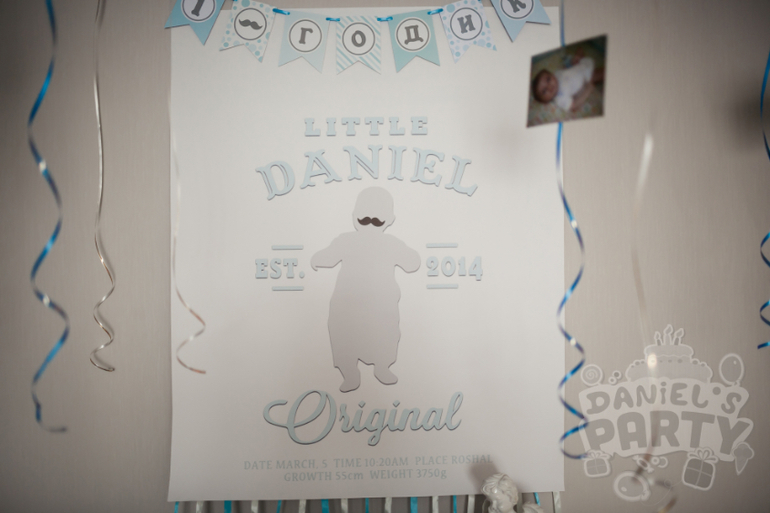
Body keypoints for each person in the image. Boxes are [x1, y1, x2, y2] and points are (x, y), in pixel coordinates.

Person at [311, 187, 420, 393]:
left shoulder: (391, 243)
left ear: (390, 219)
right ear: (354, 216)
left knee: (385, 334)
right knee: (344, 335)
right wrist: (318, 258)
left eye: (376, 219)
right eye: (364, 218)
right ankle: (350, 373)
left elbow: (411, 261)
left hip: (382, 305)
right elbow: (329, 255)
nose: (370, 223)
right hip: (346, 305)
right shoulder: (346, 240)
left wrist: (412, 258)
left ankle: (382, 367)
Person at [532, 49, 604, 112]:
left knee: (579, 51)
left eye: (548, 79)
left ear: (551, 74)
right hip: (585, 80)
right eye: (544, 91)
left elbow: (566, 71)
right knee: (601, 73)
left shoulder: (557, 75)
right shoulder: (560, 99)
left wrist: (572, 62)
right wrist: (587, 90)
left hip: (579, 67)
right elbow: (574, 106)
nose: (549, 86)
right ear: (546, 101)